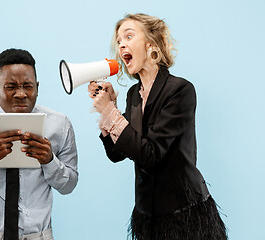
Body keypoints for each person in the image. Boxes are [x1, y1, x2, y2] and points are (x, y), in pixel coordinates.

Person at [88, 13, 227, 240]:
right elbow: (117, 153)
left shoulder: (180, 90)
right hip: (147, 214)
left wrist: (110, 112)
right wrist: (110, 108)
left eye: (129, 36)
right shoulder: (134, 94)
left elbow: (151, 154)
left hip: (183, 213)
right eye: (119, 40)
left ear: (151, 44)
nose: (121, 43)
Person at [0, 48, 78, 240]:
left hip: (41, 236)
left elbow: (69, 185)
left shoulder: (60, 124)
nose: (21, 94)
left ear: (37, 86)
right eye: (11, 86)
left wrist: (49, 160)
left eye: (28, 86)